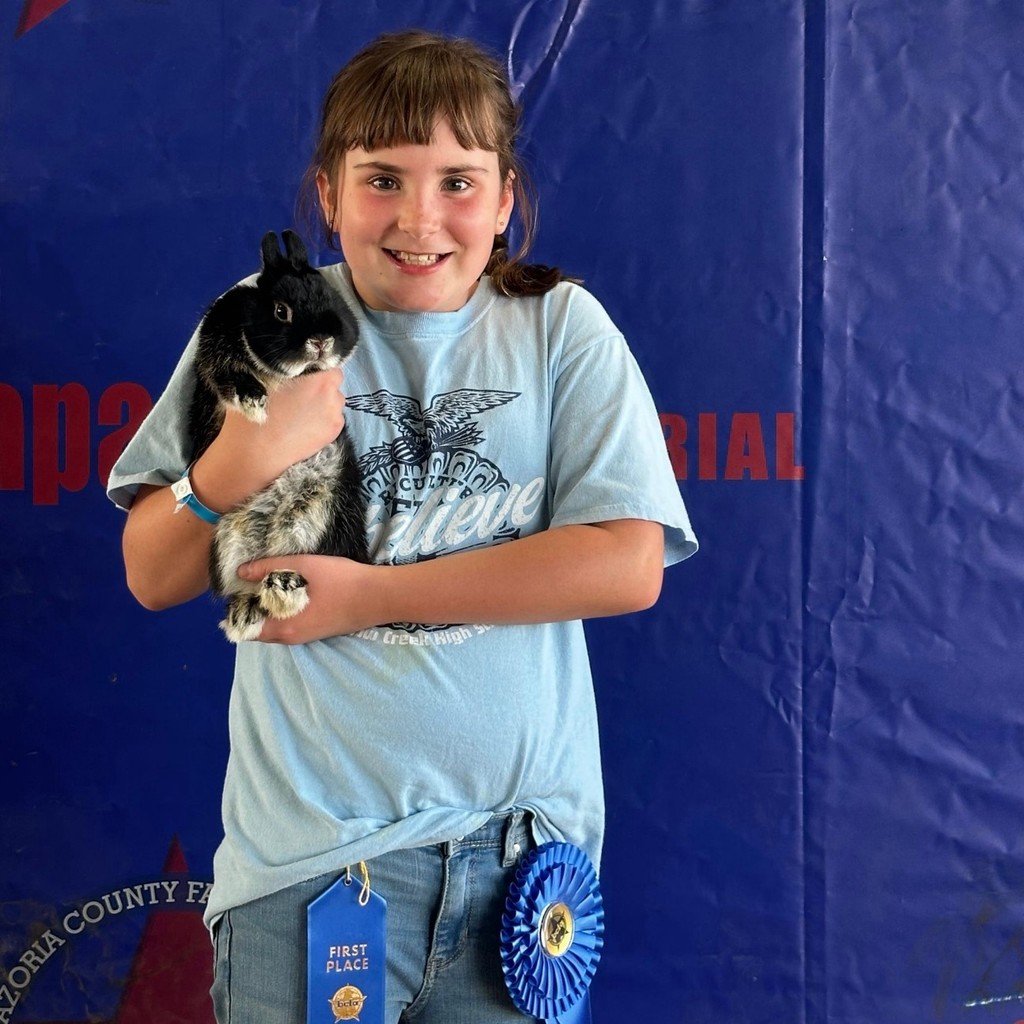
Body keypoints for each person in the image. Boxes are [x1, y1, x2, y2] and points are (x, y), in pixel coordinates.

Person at [107, 28, 698, 1024]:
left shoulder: (559, 329)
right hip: (312, 866)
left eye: (457, 182)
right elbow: (153, 571)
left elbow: (627, 564)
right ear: (327, 193)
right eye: (382, 179)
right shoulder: (262, 319)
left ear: (505, 198)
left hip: (516, 868)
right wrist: (236, 459)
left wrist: (372, 596)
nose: (420, 218)